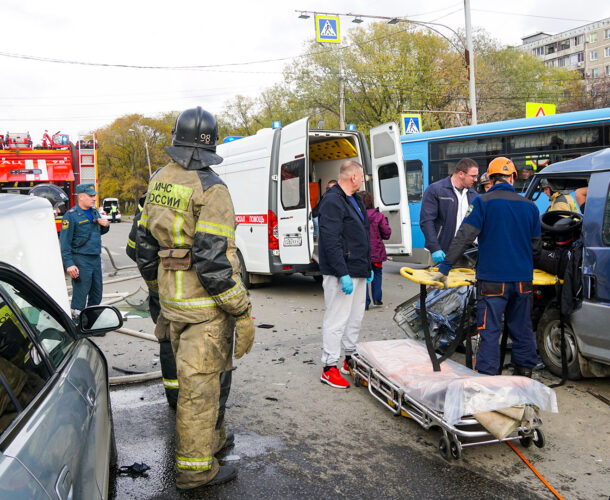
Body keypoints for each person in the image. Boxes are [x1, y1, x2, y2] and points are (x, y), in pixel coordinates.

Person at [135, 106, 254, 490]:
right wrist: (243, 309)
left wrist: (158, 291)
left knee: (206, 380)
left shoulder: (159, 180)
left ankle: (213, 441)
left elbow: (142, 246)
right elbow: (214, 262)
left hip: (173, 305)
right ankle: (196, 469)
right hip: (206, 310)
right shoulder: (212, 187)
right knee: (202, 388)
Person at [432, 157, 541, 377]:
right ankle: (524, 376)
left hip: (493, 281)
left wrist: (444, 268)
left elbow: (464, 237)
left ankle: (488, 380)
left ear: (490, 179)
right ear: (512, 177)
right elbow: (536, 247)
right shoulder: (530, 207)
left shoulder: (482, 203)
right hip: (522, 281)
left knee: (490, 330)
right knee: (522, 329)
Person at [318, 161, 373, 388]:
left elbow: (362, 234)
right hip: (341, 271)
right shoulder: (332, 200)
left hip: (358, 268)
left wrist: (367, 268)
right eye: (361, 176)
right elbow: (331, 240)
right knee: (337, 319)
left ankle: (349, 358)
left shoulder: (356, 199)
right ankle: (329, 367)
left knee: (355, 317)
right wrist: (343, 273)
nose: (363, 180)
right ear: (353, 177)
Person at [126, 189, 178, 410]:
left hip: (162, 288)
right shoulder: (197, 191)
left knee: (167, 340)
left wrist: (155, 284)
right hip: (191, 288)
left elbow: (133, 250)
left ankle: (175, 397)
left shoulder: (150, 199)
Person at [60, 183, 110, 319]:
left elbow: (97, 232)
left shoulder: (94, 212)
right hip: (81, 259)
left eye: (94, 196)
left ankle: (91, 324)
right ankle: (77, 323)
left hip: (95, 258)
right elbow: (65, 243)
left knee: (96, 293)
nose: (94, 199)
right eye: (90, 196)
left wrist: (105, 225)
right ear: (81, 197)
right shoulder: (71, 216)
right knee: (81, 294)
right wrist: (69, 264)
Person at [420, 158, 479, 264]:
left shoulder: (474, 195)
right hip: (441, 252)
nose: (476, 180)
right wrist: (435, 248)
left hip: (466, 254)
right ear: (461, 174)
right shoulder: (435, 190)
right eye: (473, 176)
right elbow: (426, 221)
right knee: (438, 281)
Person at [359, 191, 391, 309]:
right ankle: (377, 299)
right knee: (377, 273)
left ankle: (365, 302)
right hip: (376, 251)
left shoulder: (357, 216)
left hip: (361, 252)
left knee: (363, 276)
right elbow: (386, 233)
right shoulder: (378, 216)